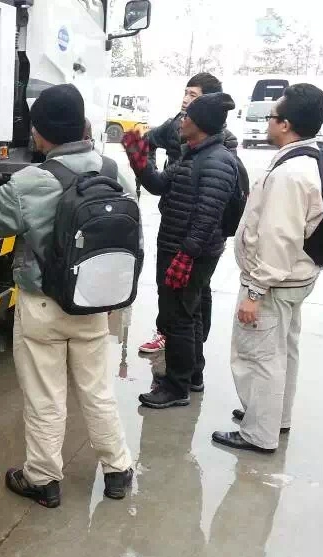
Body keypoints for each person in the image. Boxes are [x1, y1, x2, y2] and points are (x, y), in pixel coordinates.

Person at [0, 83, 134, 506]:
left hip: (43, 305)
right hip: (94, 300)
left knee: (45, 396)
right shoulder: (113, 171)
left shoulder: (33, 180)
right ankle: (118, 469)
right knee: (97, 390)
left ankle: (43, 479)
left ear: (40, 133)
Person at [213, 83, 323, 453]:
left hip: (274, 282)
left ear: (285, 124)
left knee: (258, 356)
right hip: (296, 277)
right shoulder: (310, 160)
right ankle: (275, 418)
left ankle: (257, 434)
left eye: (272, 116)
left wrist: (254, 291)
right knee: (282, 351)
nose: (267, 122)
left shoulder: (291, 174)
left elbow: (278, 240)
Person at [127, 92, 238, 409]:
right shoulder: (191, 155)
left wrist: (185, 256)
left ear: (199, 124)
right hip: (179, 249)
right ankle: (190, 376)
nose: (181, 121)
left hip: (189, 253)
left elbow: (208, 216)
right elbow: (158, 185)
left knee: (178, 318)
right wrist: (140, 159)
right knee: (188, 313)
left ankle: (176, 387)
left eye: (187, 117)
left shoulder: (217, 161)